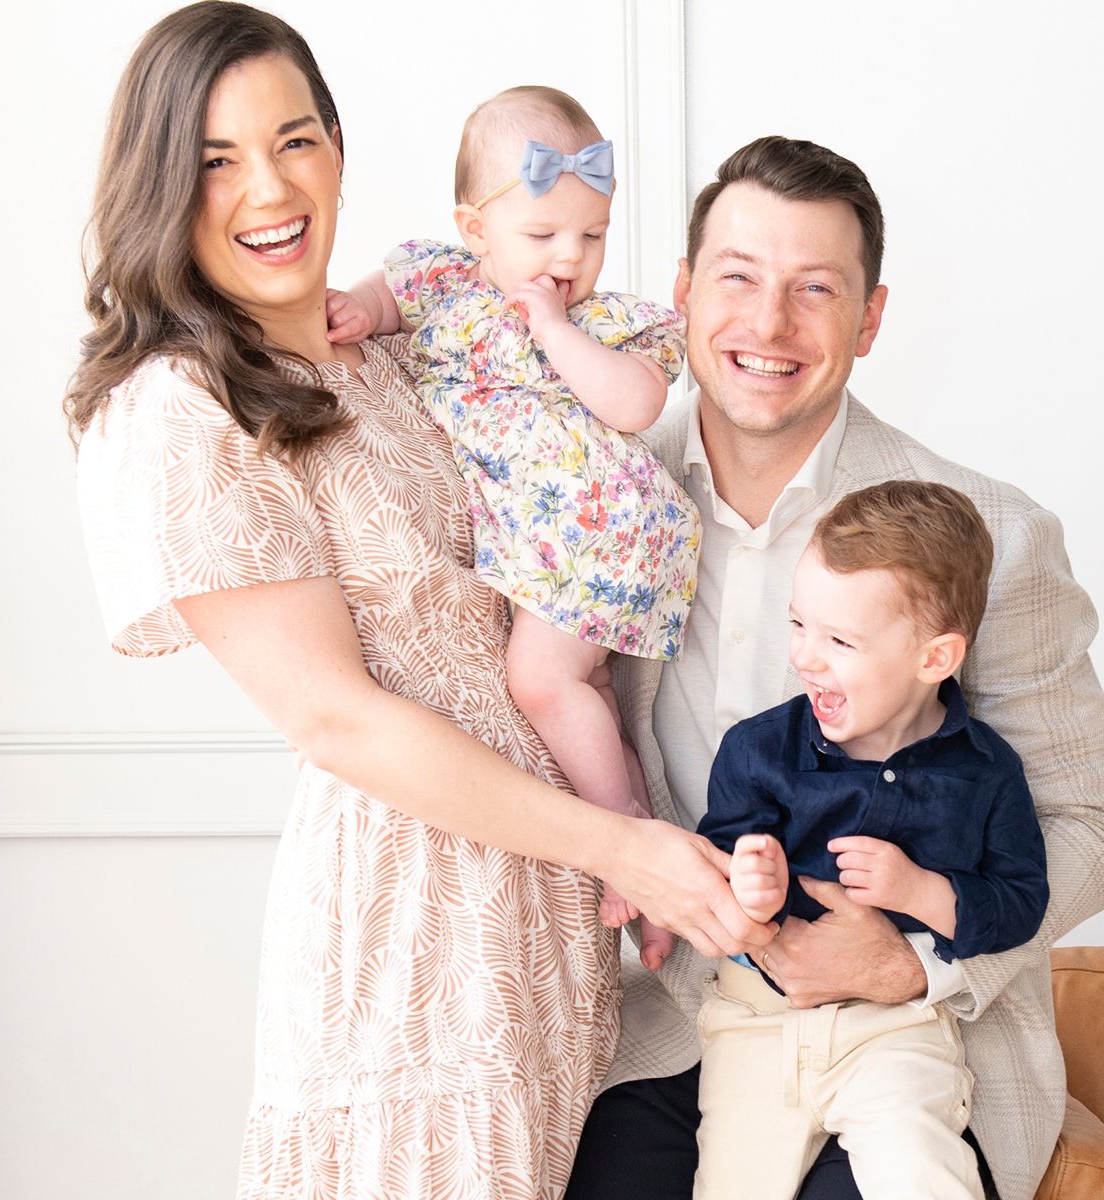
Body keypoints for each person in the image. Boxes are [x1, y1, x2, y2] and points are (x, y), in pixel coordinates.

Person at [64, 6, 766, 1196]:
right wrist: (622, 845)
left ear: (338, 147)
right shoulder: (180, 409)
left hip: (548, 933)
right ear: (161, 185)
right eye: (216, 160)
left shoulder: (402, 349)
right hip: (412, 942)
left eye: (294, 140)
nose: (268, 188)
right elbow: (334, 719)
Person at [567, 137, 1104, 1200]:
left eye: (814, 291)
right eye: (736, 278)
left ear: (869, 319)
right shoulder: (597, 490)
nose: (768, 325)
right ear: (684, 292)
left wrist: (916, 958)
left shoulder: (992, 536)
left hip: (907, 1043)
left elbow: (1093, 831)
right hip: (665, 1028)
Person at [325, 85, 700, 971]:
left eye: (593, 235)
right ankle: (643, 837)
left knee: (538, 681)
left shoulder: (607, 323)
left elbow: (636, 401)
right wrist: (361, 312)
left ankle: (627, 848)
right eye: (543, 237)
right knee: (586, 699)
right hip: (553, 550)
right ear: (474, 228)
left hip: (603, 535)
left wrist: (555, 329)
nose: (571, 256)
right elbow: (392, 293)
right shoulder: (441, 284)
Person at [693, 481, 1049, 1200]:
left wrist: (923, 892)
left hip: (897, 1031)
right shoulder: (757, 752)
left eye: (839, 641)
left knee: (922, 1175)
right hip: (755, 1025)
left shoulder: (985, 773)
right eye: (798, 625)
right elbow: (715, 872)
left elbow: (1020, 902)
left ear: (934, 658)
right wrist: (751, 887)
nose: (806, 658)